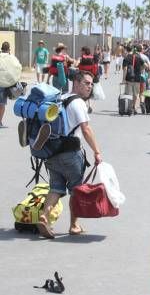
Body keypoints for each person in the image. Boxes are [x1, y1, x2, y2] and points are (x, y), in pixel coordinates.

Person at [37, 71, 103, 239]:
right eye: (86, 83)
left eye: (91, 84)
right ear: (76, 83)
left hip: (51, 152)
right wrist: (97, 151)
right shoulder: (78, 103)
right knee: (76, 190)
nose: (90, 86)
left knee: (56, 188)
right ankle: (74, 225)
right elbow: (86, 129)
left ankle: (44, 216)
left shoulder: (60, 98)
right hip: (71, 153)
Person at [0, 41, 21, 128]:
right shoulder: (12, 58)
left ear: (1, 49)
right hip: (4, 84)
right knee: (1, 104)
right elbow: (18, 68)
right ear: (9, 49)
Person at [122, 45, 148, 115]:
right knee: (136, 94)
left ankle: (129, 108)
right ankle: (134, 107)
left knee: (128, 93)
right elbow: (146, 65)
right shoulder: (139, 58)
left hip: (129, 78)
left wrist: (123, 79)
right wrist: (141, 69)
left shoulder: (127, 58)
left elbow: (125, 69)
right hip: (137, 78)